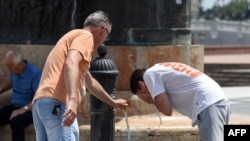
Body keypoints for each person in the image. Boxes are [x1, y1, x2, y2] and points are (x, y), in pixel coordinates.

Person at [32, 11, 128, 141]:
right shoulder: (85, 36)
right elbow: (70, 63)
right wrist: (72, 101)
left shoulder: (72, 37)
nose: (105, 40)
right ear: (103, 29)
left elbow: (90, 82)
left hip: (41, 104)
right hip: (58, 103)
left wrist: (112, 102)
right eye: (107, 36)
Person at [130, 62, 230, 141]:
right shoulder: (161, 68)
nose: (143, 98)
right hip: (217, 101)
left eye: (141, 95)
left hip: (208, 105)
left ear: (141, 85)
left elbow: (167, 110)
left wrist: (151, 100)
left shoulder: (149, 75)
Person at [0, 50, 41, 141]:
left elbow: (39, 97)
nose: (10, 71)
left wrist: (22, 110)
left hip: (30, 109)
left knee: (16, 122)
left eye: (11, 68)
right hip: (15, 105)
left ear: (21, 64)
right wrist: (1, 90)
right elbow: (12, 81)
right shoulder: (15, 70)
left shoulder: (35, 73)